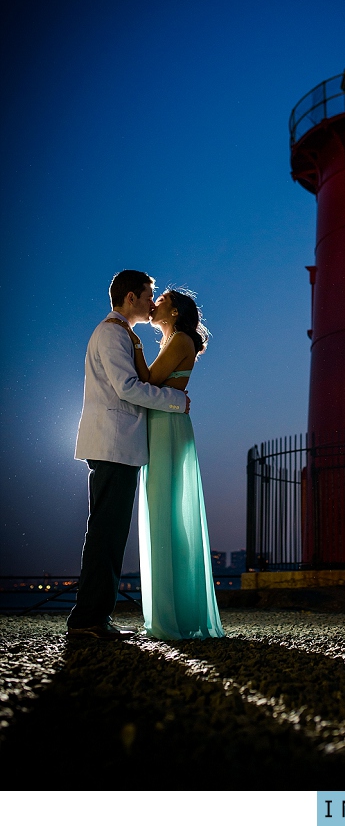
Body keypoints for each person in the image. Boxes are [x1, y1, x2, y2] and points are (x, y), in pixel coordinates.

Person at [67, 270, 190, 640]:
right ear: (132, 297)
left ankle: (94, 617)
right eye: (149, 295)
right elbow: (126, 388)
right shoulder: (112, 333)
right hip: (113, 444)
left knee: (109, 533)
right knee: (106, 533)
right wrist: (176, 400)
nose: (153, 303)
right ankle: (87, 619)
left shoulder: (121, 334)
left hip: (118, 445)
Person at [110, 287, 224, 641]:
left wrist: (137, 346)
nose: (154, 304)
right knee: (163, 514)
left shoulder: (179, 341)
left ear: (174, 312)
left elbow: (148, 381)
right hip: (164, 424)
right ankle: (172, 612)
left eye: (161, 302)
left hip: (166, 427)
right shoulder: (175, 341)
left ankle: (168, 619)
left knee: (163, 514)